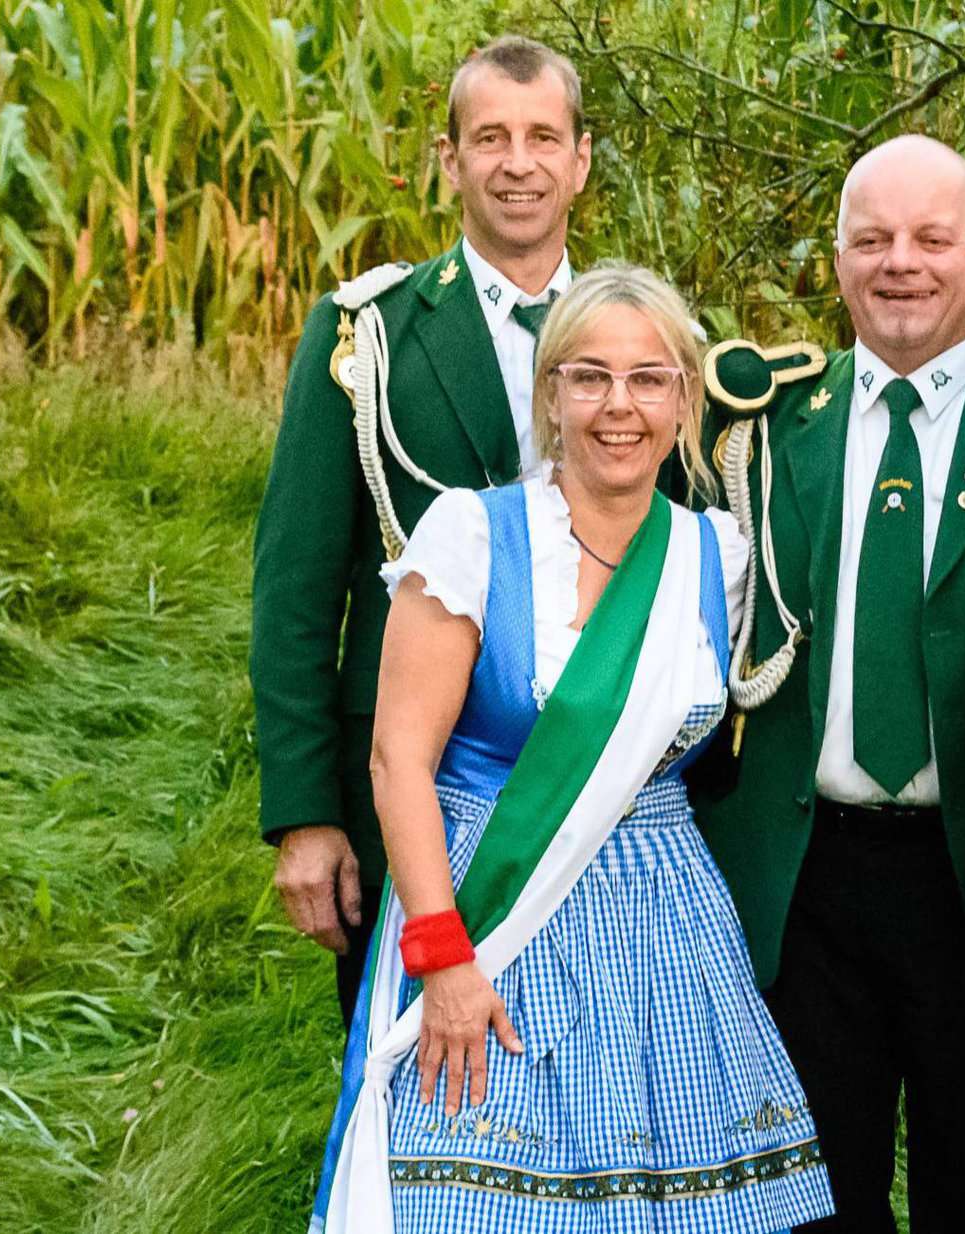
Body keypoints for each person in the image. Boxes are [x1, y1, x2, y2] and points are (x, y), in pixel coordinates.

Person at [310, 263, 833, 1234]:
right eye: (588, 376)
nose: (617, 406)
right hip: (486, 908)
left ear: (684, 396)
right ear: (550, 395)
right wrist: (444, 961)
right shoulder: (470, 536)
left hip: (663, 924)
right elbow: (397, 764)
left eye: (647, 378)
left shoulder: (715, 555)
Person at [690, 135, 965, 1233]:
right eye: (871, 239)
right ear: (837, 258)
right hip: (804, 876)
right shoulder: (759, 421)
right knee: (812, 1192)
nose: (898, 262)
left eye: (929, 238)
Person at [250, 35, 589, 1027]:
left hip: (588, 766)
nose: (516, 163)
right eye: (489, 137)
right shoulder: (369, 333)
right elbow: (298, 588)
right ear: (449, 161)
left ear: (578, 159)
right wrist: (307, 815)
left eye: (540, 137)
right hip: (407, 776)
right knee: (400, 1065)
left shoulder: (634, 336)